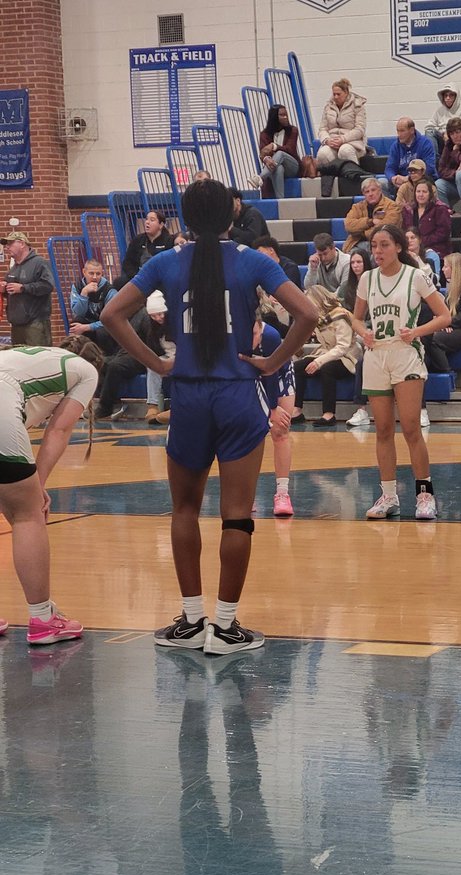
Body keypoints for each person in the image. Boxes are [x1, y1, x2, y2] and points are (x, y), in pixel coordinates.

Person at [100, 178, 318, 654]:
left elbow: (112, 313)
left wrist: (157, 364)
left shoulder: (165, 262)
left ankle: (192, 620)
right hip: (238, 394)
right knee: (237, 515)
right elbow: (307, 313)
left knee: (184, 510)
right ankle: (224, 627)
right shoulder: (250, 259)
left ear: (184, 217)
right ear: (230, 216)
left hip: (190, 397)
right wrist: (274, 361)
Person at [0, 340, 104, 645]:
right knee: (26, 515)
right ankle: (44, 619)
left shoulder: (27, 354)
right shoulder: (86, 371)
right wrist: (39, 485)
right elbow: (57, 431)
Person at [350, 224, 451, 519]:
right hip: (376, 356)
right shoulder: (367, 279)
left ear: (398, 247)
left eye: (383, 245)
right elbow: (355, 319)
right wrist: (363, 332)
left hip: (405, 355)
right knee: (382, 430)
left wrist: (417, 331)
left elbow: (445, 315)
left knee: (410, 428)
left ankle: (424, 495)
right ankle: (389, 496)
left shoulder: (416, 276)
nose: (377, 251)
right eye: (374, 246)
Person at [292, 285, 361, 428]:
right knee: (297, 367)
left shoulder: (340, 315)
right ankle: (296, 411)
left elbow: (342, 347)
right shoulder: (318, 318)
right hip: (326, 352)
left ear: (319, 300)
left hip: (347, 356)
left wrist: (318, 362)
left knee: (327, 368)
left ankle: (329, 414)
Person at [251, 318, 297, 513]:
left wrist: (272, 408)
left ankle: (282, 494)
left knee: (280, 431)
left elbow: (270, 372)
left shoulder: (269, 336)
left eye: (254, 334)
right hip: (249, 376)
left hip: (278, 373)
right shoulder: (232, 333)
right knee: (249, 433)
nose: (251, 338)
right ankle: (246, 493)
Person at [0, 232, 54, 346]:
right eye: (6, 245)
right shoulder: (13, 269)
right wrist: (4, 290)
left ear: (22, 243)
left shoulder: (39, 263)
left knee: (39, 360)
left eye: (10, 243)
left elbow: (48, 285)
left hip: (35, 325)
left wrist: (23, 288)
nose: (7, 247)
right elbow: (12, 293)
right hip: (16, 325)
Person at [344, 249, 373, 428]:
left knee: (362, 361)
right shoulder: (346, 287)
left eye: (359, 262)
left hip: (372, 330)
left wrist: (364, 330)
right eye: (353, 263)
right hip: (352, 330)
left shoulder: (374, 282)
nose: (356, 266)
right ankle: (361, 410)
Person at [316, 78, 367, 170]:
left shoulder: (358, 105)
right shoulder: (328, 107)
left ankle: (355, 176)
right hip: (332, 142)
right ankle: (330, 181)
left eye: (338, 94)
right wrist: (327, 140)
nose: (335, 97)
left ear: (346, 93)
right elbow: (322, 129)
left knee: (345, 151)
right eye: (334, 94)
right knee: (322, 154)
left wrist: (343, 139)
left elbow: (360, 129)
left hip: (352, 142)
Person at [342, 177, 402, 255]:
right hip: (356, 244)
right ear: (364, 194)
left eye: (373, 190)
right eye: (367, 192)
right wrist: (370, 222)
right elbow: (348, 225)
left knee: (375, 256)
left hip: (382, 245)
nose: (370, 194)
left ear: (380, 190)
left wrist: (362, 233)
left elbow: (386, 228)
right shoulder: (357, 207)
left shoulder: (392, 206)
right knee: (354, 257)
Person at [68, 258, 118, 351]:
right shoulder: (77, 287)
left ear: (102, 273)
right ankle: (76, 354)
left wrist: (88, 327)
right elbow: (78, 313)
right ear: (84, 272)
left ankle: (105, 358)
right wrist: (84, 293)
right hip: (87, 322)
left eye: (98, 274)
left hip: (103, 325)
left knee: (102, 332)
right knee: (75, 323)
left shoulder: (109, 290)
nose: (95, 277)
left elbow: (111, 319)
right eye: (91, 273)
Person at [114, 211, 174, 287]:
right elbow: (128, 263)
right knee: (119, 282)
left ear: (161, 225)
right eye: (146, 219)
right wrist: (136, 276)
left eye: (152, 220)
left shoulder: (169, 241)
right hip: (139, 277)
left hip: (160, 279)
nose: (147, 222)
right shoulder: (138, 240)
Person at [254, 104, 301, 199]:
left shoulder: (293, 130)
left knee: (280, 154)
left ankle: (260, 177)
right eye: (282, 115)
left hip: (292, 166)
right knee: (278, 168)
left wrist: (274, 146)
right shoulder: (264, 134)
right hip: (273, 166)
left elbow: (290, 150)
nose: (285, 117)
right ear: (274, 117)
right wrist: (267, 159)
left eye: (286, 114)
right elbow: (263, 153)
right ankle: (281, 200)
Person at [143, 290, 175, 426]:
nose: (158, 318)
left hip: (183, 357)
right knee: (152, 366)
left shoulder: (177, 325)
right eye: (153, 316)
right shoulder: (153, 329)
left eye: (160, 314)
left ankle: (177, 407)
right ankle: (152, 405)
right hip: (167, 358)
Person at [402, 178, 452, 261]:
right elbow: (404, 230)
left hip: (435, 249)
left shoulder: (440, 209)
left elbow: (443, 233)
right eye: (418, 191)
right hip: (412, 248)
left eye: (424, 192)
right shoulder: (409, 210)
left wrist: (421, 242)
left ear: (430, 194)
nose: (421, 194)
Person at [385, 117, 436, 197]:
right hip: (400, 182)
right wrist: (393, 178)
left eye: (402, 131)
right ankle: (391, 208)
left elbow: (429, 168)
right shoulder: (395, 146)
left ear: (412, 130)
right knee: (381, 183)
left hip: (421, 180)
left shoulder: (426, 143)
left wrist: (408, 178)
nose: (399, 134)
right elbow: (389, 168)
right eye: (397, 131)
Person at [423, 83, 461, 157]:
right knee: (429, 132)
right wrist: (443, 133)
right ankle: (435, 159)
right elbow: (429, 127)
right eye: (445, 96)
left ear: (456, 97)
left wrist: (456, 135)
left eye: (451, 95)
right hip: (443, 140)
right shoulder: (439, 111)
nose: (448, 98)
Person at [304, 232, 351, 299]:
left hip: (341, 302)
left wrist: (326, 301)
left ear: (333, 248)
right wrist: (313, 269)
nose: (323, 258)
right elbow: (308, 288)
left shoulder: (346, 262)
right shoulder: (315, 260)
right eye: (320, 254)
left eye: (325, 254)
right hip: (321, 301)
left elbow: (343, 292)